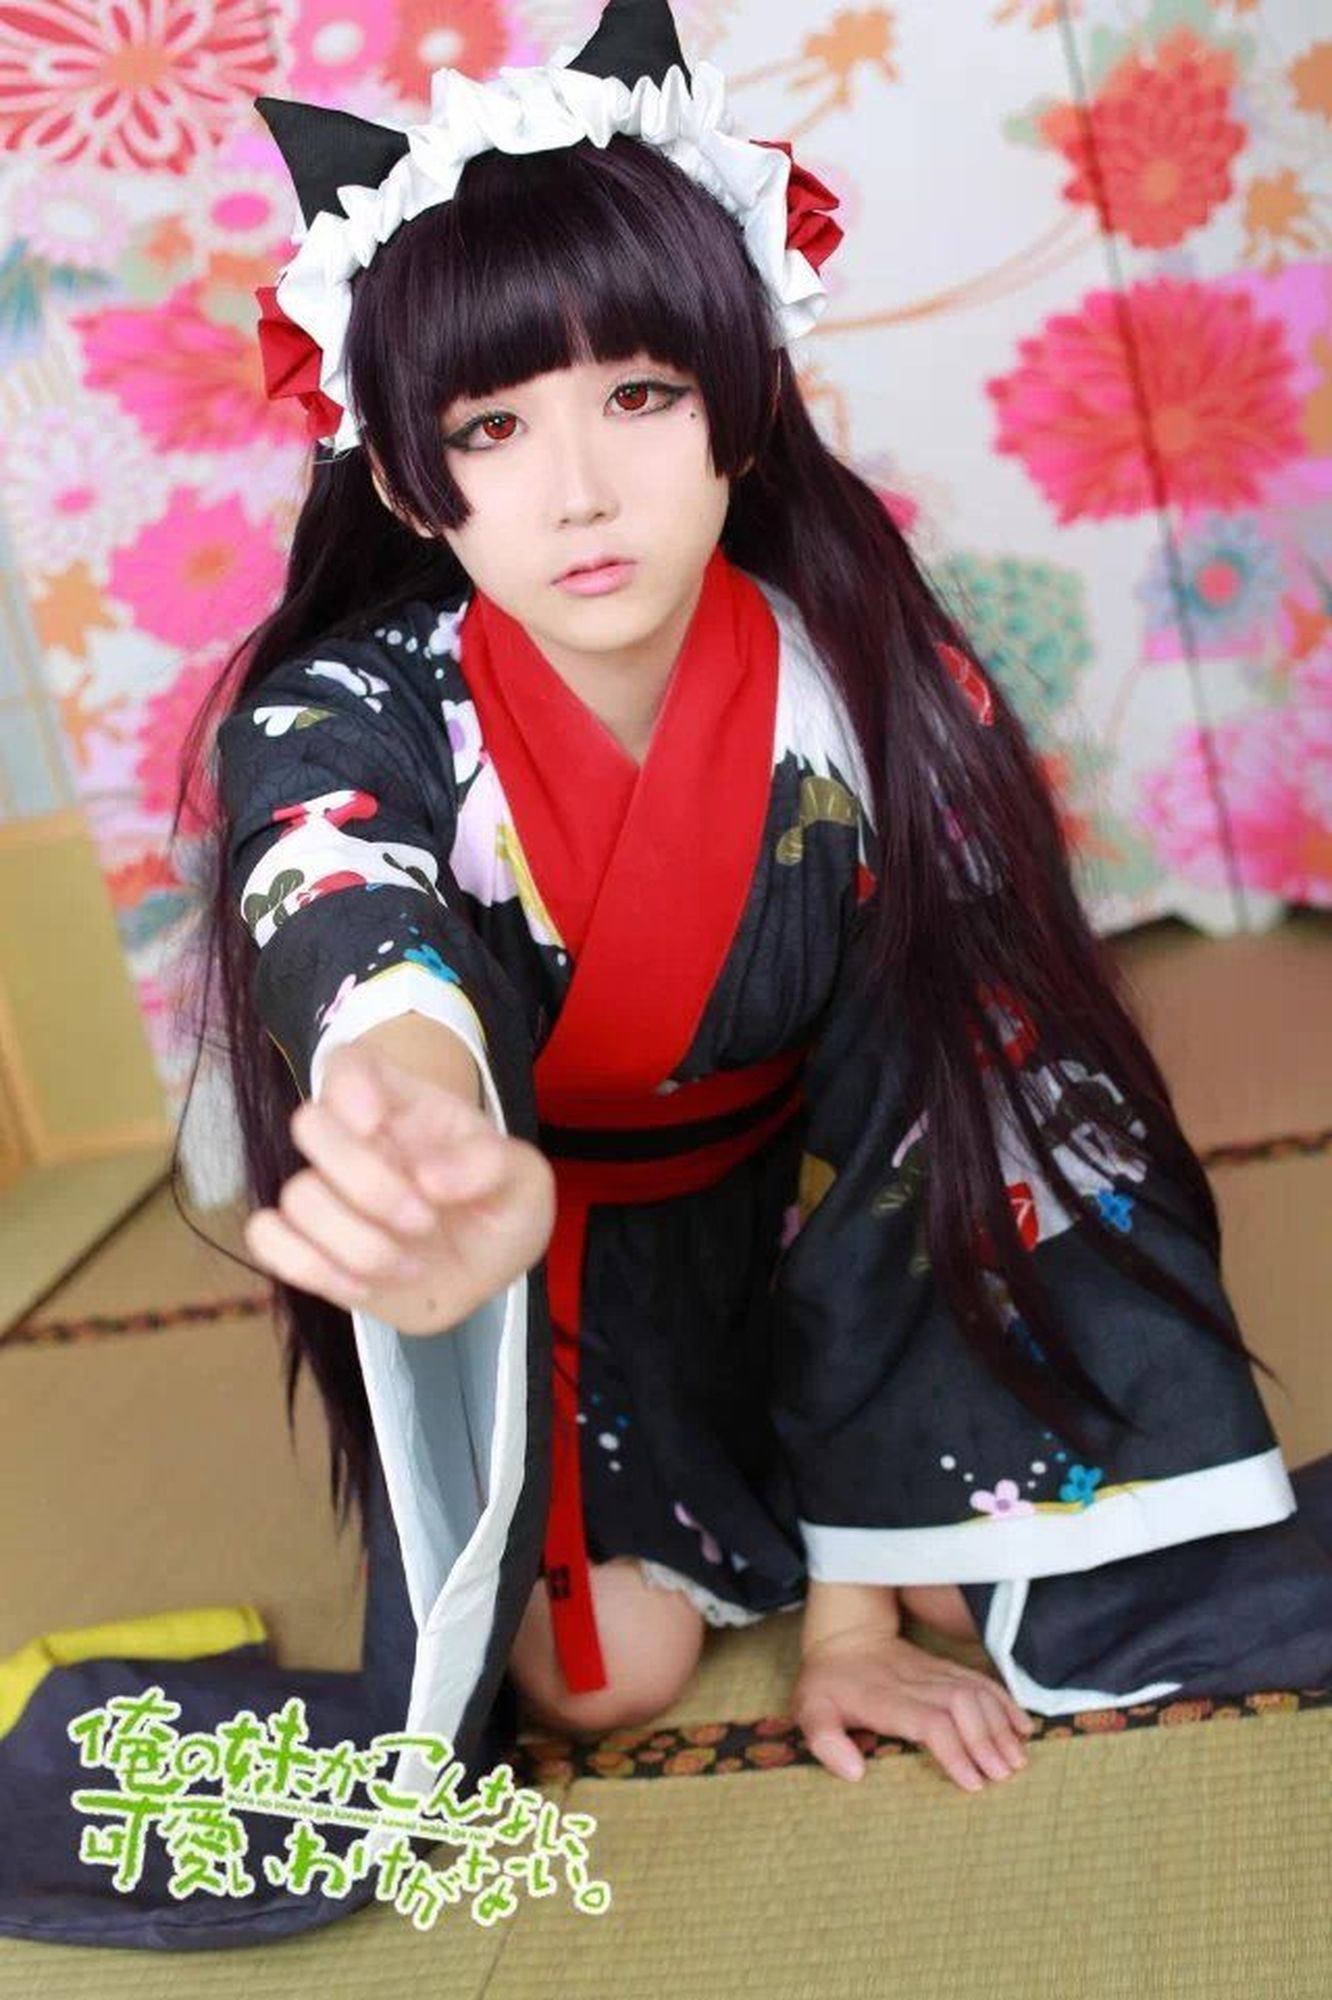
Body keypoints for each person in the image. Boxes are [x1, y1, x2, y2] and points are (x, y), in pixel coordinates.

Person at [6, 0, 1329, 1956]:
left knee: (1015, 1560)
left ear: (742, 399)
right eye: (491, 427)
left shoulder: (865, 685)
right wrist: (423, 1126)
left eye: (637, 394)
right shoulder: (348, 713)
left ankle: (877, 1535)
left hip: (839, 1220)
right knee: (601, 1676)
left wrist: (860, 1614)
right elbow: (344, 914)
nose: (578, 490)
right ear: (407, 479)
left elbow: (934, 1094)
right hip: (564, 1266)